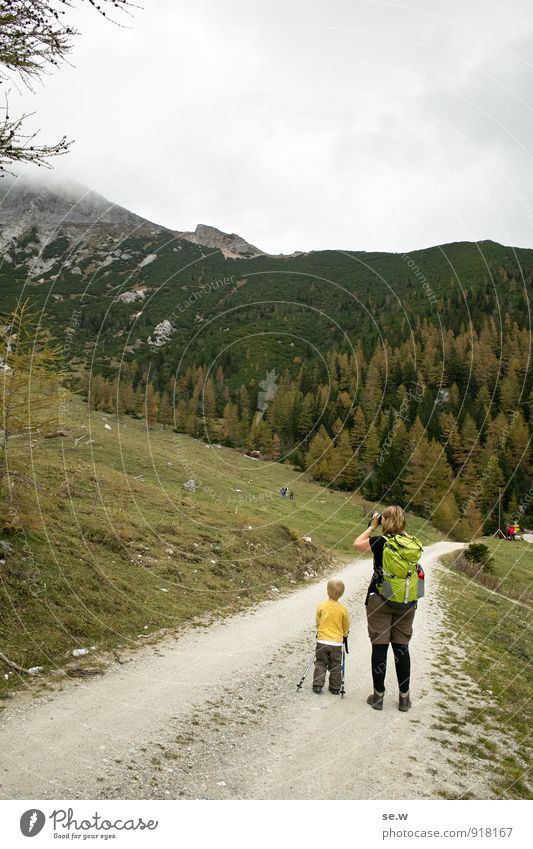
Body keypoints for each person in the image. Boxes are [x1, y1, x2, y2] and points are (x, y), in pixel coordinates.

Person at [353, 506, 417, 712]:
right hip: (407, 602)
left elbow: (356, 544)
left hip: (380, 599)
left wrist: (372, 527)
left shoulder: (381, 542)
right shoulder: (410, 543)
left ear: (384, 521)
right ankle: (404, 699)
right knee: (401, 648)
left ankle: (378, 696)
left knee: (380, 647)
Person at [312, 579, 350, 695]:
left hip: (322, 641)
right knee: (336, 665)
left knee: (320, 662)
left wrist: (319, 630)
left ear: (328, 591)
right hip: (336, 643)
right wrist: (345, 635)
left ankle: (318, 684)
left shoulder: (322, 606)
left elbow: (318, 621)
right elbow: (346, 625)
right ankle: (335, 687)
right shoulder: (343, 609)